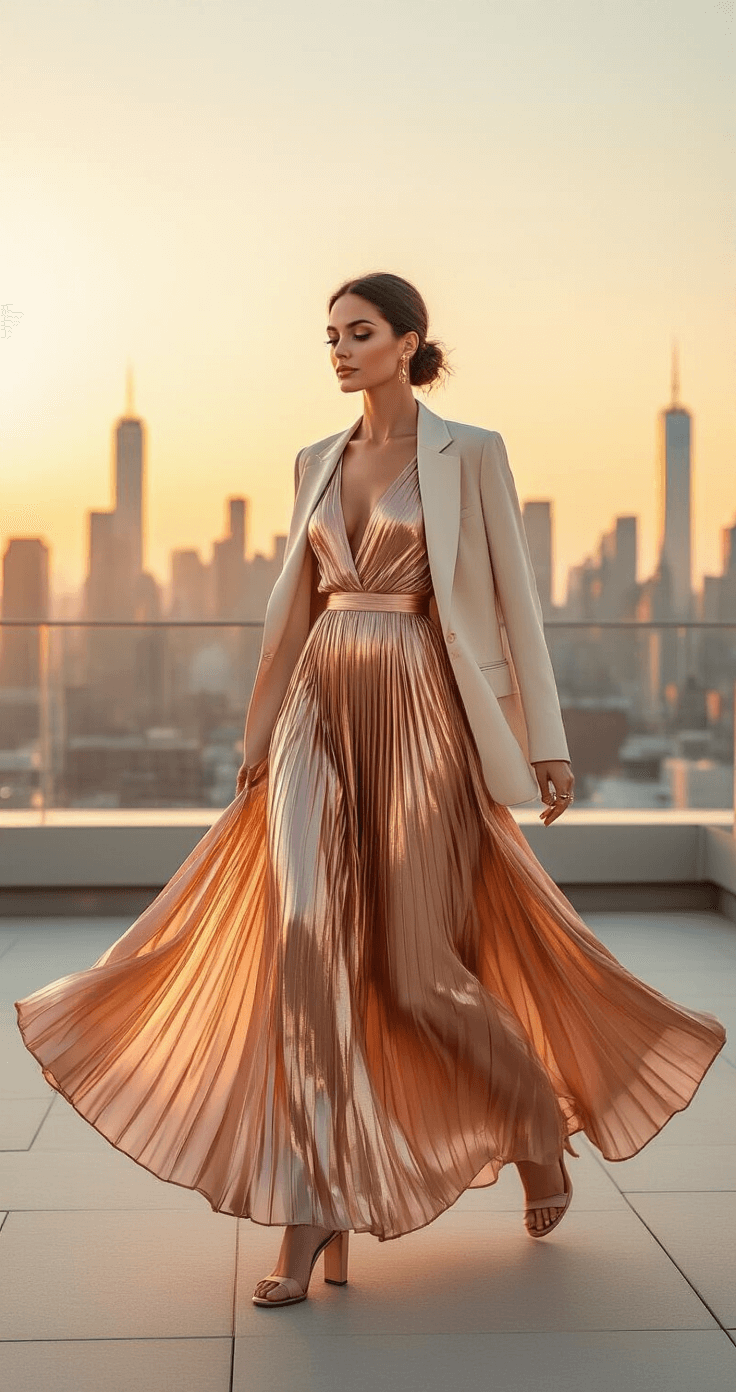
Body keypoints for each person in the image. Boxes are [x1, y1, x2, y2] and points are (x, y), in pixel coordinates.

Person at [15, 271, 726, 1313]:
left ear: (408, 343)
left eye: (360, 334)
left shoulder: (467, 453)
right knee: (306, 947)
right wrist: (257, 740)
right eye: (331, 337)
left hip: (422, 713)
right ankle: (311, 1217)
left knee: (416, 970)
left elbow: (513, 607)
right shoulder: (314, 460)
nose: (340, 351)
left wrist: (547, 743)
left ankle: (534, 1121)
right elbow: (295, 607)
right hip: (315, 714)